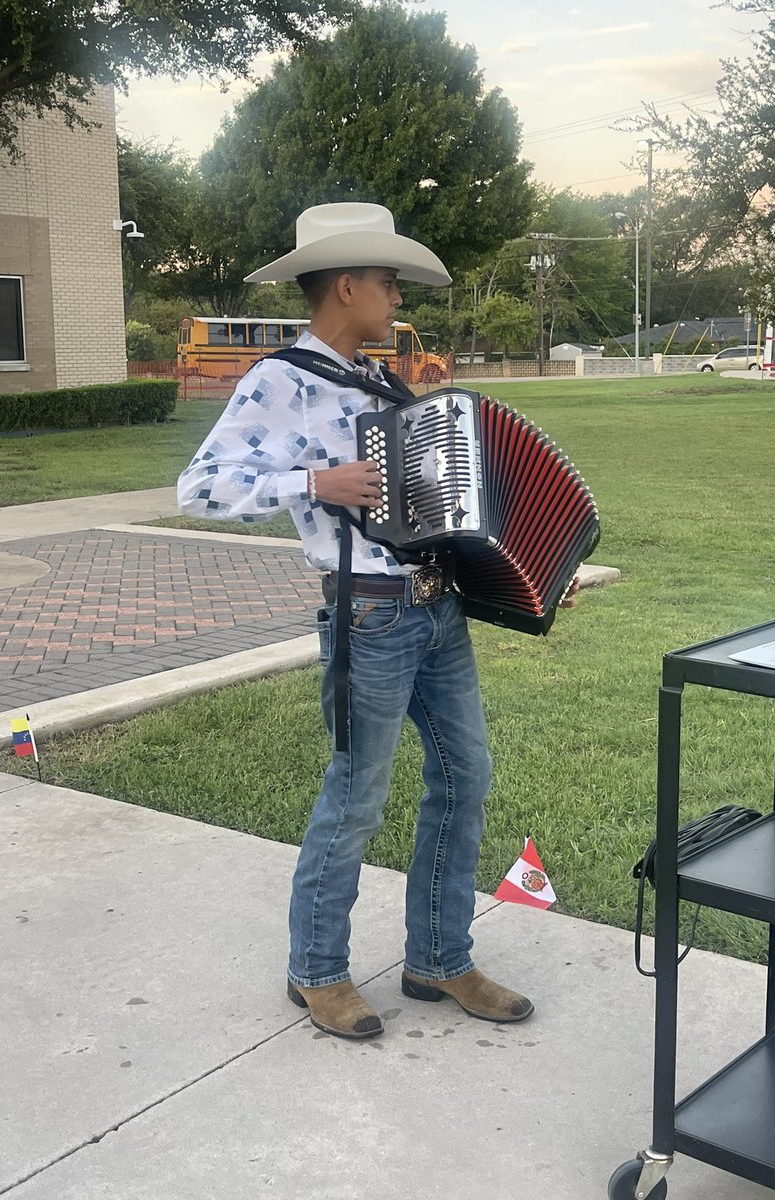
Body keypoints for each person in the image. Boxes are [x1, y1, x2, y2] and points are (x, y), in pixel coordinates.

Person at [178, 202, 538, 1040]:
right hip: (370, 618)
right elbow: (198, 487)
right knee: (356, 799)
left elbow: (437, 499)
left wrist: (517, 568)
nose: (395, 297)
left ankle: (440, 959)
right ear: (347, 285)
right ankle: (316, 973)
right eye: (386, 281)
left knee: (465, 777)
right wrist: (314, 485)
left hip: (438, 610)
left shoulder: (382, 379)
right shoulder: (279, 382)